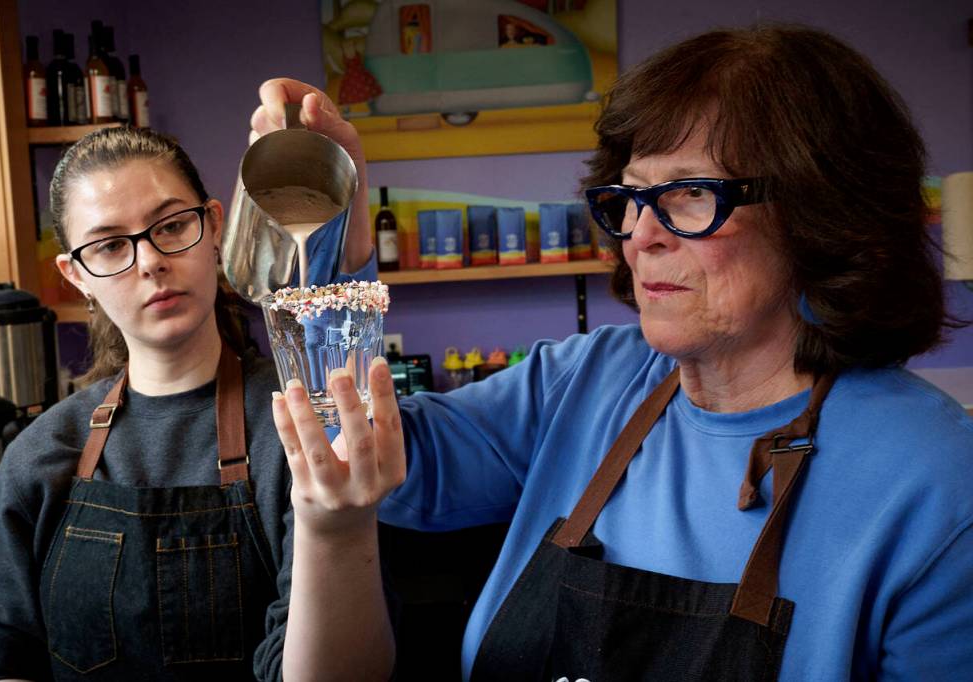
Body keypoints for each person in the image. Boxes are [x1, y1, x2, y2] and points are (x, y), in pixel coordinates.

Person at [260, 24, 973, 681]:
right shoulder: (585, 381)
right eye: (631, 199)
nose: (640, 235)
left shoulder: (936, 483)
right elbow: (350, 450)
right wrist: (334, 243)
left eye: (691, 194)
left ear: (824, 213)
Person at [0, 118, 382, 680]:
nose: (152, 261)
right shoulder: (39, 455)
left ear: (213, 225)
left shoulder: (300, 431)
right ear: (77, 274)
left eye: (172, 226)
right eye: (109, 245)